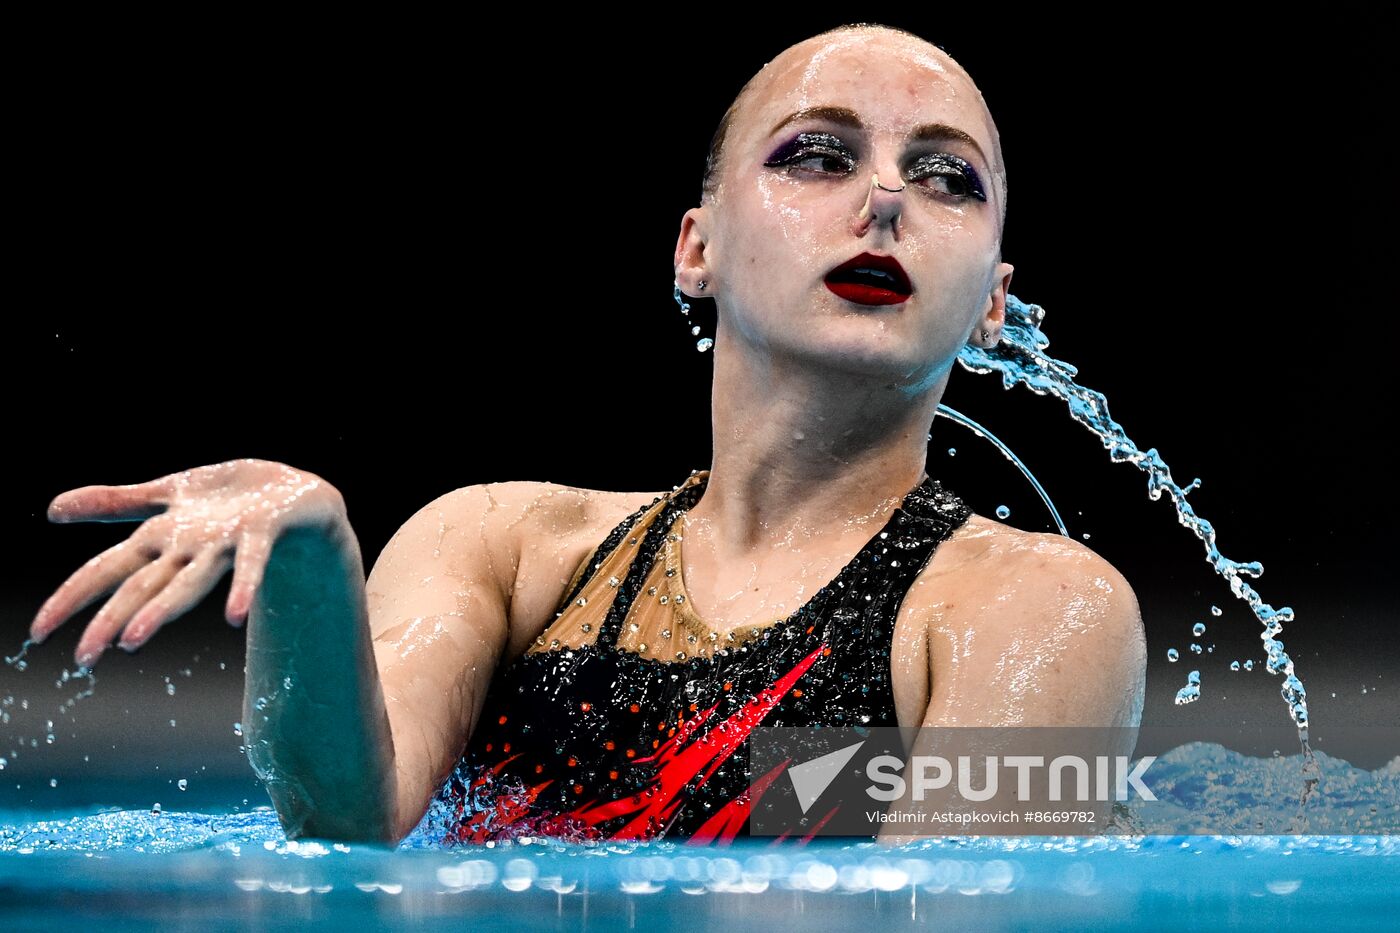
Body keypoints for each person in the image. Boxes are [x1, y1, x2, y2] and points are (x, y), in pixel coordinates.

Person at [27, 23, 1146, 846]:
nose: (886, 199)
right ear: (694, 249)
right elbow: (340, 819)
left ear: (993, 303)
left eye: (947, 176)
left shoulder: (1034, 610)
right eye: (816, 155)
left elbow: (942, 918)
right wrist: (312, 570)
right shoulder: (505, 548)